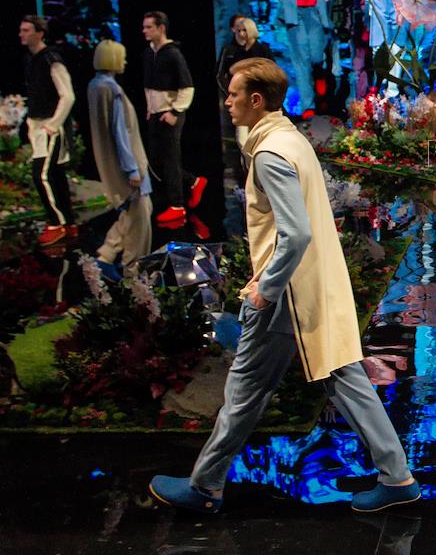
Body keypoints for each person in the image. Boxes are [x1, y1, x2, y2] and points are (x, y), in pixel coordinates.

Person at [150, 58, 421, 514]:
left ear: (256, 100)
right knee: (342, 377)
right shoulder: (289, 139)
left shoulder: (271, 153)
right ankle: (397, 478)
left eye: (234, 94)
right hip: (311, 285)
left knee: (247, 390)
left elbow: (295, 233)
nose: (227, 101)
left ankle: (205, 487)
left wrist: (266, 290)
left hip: (285, 295)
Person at [88, 40, 152, 280]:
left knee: (134, 212)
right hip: (128, 165)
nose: (124, 62)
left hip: (114, 164)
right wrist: (132, 168)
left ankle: (107, 254)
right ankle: (133, 270)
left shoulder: (95, 86)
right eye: (121, 57)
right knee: (140, 217)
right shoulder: (111, 89)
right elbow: (120, 132)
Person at [142, 11, 206, 226]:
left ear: (161, 28)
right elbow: (148, 85)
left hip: (170, 113)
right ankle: (193, 181)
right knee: (155, 160)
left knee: (170, 159)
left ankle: (177, 205)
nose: (144, 31)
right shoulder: (149, 53)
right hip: (156, 112)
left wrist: (175, 112)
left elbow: (187, 87)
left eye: (149, 27)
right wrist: (150, 108)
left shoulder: (173, 54)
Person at [19, 15, 76, 247]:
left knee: (41, 175)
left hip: (50, 126)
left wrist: (53, 123)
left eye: (26, 30)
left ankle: (56, 222)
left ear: (40, 33)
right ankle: (68, 222)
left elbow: (68, 95)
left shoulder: (51, 59)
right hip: (39, 125)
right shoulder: (31, 60)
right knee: (56, 174)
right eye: (21, 30)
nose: (22, 34)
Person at [217, 16, 271, 94]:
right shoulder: (229, 50)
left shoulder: (263, 50)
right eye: (239, 30)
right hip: (236, 92)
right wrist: (231, 93)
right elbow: (220, 75)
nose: (241, 33)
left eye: (244, 30)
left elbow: (272, 73)